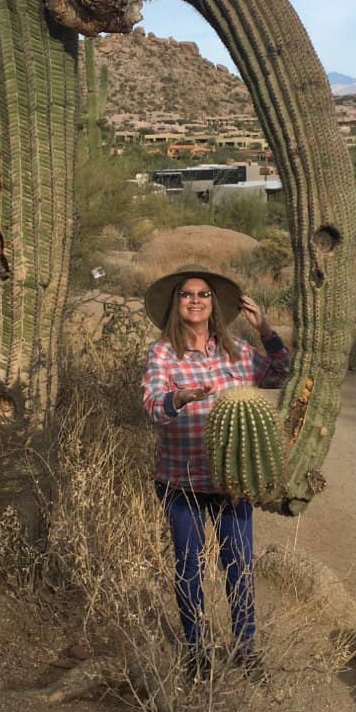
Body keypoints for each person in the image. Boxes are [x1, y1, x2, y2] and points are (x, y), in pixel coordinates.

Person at [141, 265, 290, 682]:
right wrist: (181, 396)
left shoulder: (237, 350)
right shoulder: (163, 354)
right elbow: (153, 406)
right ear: (177, 304)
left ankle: (245, 647)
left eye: (203, 294)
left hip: (231, 482)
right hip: (180, 479)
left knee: (238, 564)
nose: (195, 300)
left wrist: (266, 329)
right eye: (187, 294)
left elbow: (282, 374)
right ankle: (196, 650)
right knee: (188, 565)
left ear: (213, 305)